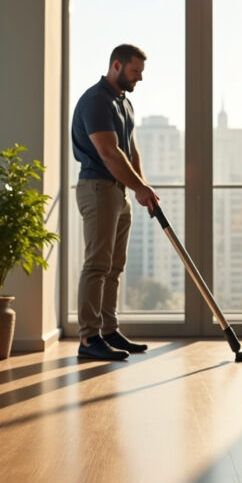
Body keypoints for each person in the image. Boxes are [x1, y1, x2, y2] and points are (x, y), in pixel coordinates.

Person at [71, 43, 159, 361]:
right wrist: (138, 188)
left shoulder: (124, 103)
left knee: (114, 266)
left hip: (119, 191)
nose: (140, 78)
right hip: (97, 188)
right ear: (117, 66)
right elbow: (109, 152)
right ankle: (88, 337)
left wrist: (142, 185)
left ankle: (108, 330)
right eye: (136, 71)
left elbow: (130, 150)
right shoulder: (96, 101)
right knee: (97, 264)